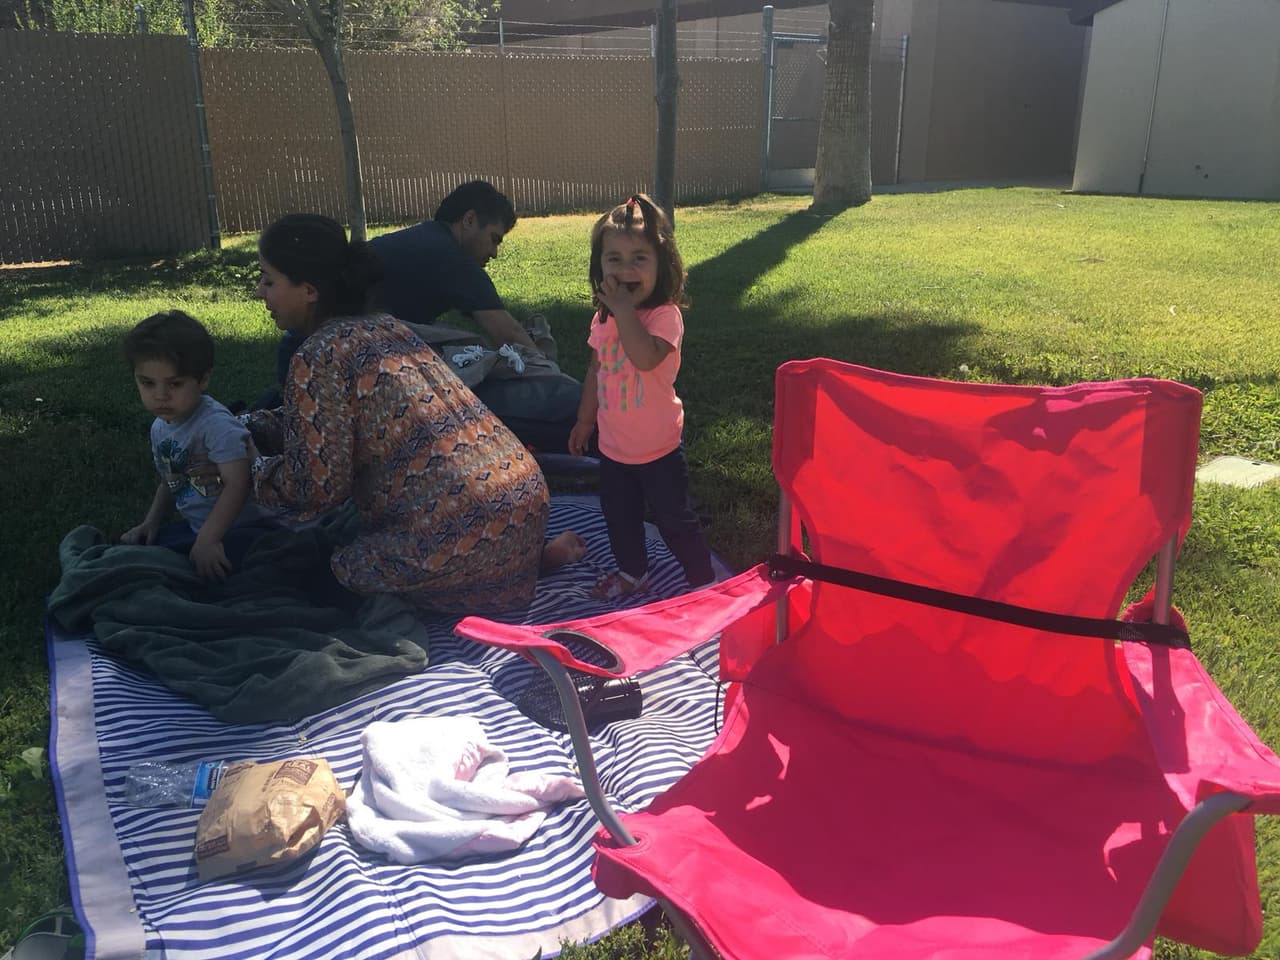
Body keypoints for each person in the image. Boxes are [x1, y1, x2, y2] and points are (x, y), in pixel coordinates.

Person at [246, 213, 585, 614]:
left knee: (322, 575)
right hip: (525, 508)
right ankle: (524, 566)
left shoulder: (318, 355)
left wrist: (254, 466)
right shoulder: (387, 328)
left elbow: (316, 490)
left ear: (308, 290)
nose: (259, 292)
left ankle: (476, 577)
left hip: (466, 533)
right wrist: (258, 424)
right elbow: (327, 421)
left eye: (268, 280)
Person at [269, 182, 583, 453]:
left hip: (310, 358)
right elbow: (508, 333)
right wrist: (559, 379)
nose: (494, 252)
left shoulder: (426, 240)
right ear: (469, 220)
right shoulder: (449, 257)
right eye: (495, 238)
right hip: (322, 370)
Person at [567, 194, 714, 599]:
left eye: (639, 259)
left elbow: (646, 358)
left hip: (660, 450)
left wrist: (624, 311)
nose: (626, 268)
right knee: (620, 518)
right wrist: (584, 420)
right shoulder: (605, 316)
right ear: (599, 265)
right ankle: (634, 574)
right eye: (614, 259)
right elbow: (597, 370)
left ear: (661, 265)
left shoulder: (665, 316)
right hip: (614, 449)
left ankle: (703, 580)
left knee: (674, 519)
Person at [121, 310, 278, 579]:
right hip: (203, 530)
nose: (160, 396)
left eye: (175, 383)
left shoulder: (216, 425)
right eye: (147, 383)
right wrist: (152, 521)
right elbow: (171, 480)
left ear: (203, 379)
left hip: (248, 527)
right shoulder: (160, 427)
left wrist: (209, 539)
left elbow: (238, 484)